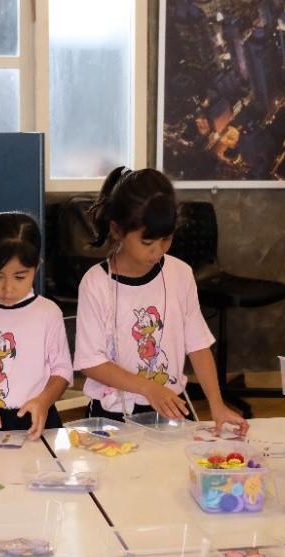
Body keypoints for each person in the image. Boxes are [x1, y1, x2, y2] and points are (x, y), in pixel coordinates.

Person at [73, 167, 247, 434]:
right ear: (117, 230)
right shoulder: (96, 283)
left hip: (169, 410)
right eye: (147, 242)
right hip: (112, 415)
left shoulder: (180, 274)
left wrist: (216, 404)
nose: (157, 251)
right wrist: (148, 388)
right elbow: (90, 362)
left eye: (166, 239)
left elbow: (198, 345)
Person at [0, 213, 73, 441]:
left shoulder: (48, 312)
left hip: (38, 416)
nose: (8, 289)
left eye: (20, 277)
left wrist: (44, 401)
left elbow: (62, 370)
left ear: (37, 267)